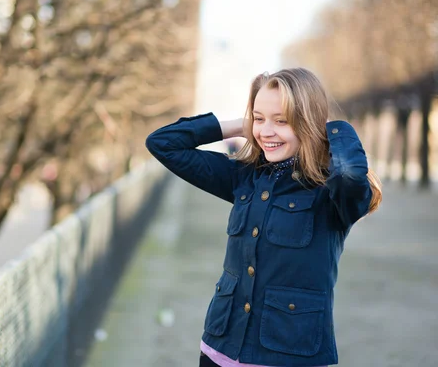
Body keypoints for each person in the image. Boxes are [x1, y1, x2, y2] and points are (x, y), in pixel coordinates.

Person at [145, 68, 382, 367]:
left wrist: (333, 129)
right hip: (220, 349)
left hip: (289, 355)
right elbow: (162, 143)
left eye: (281, 120)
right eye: (259, 118)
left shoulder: (331, 193)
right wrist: (241, 126)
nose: (266, 131)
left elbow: (349, 174)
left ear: (307, 122)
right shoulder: (245, 177)